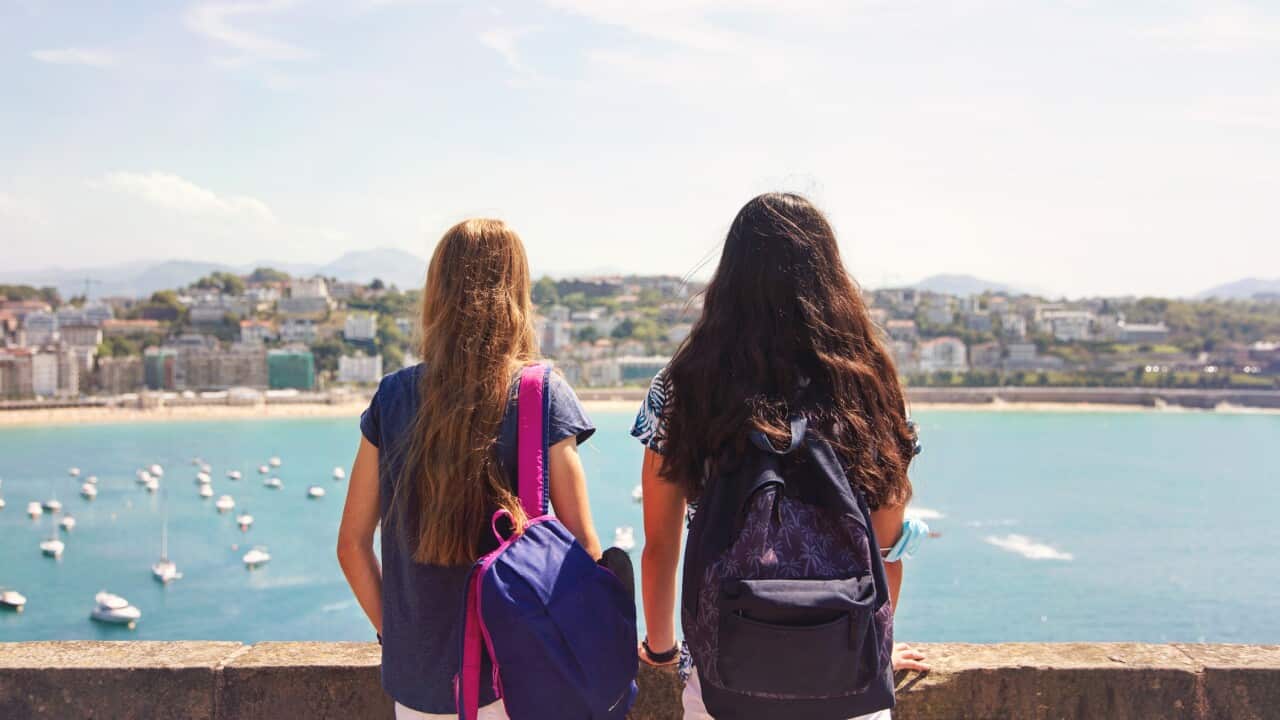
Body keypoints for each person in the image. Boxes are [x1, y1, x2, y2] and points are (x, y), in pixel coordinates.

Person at [633, 193, 930, 719]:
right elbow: (887, 549)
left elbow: (660, 545)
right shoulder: (872, 387)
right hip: (847, 682)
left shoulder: (682, 387)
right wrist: (873, 649)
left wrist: (662, 648)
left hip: (726, 681)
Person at [338, 218, 603, 720]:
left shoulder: (393, 397)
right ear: (517, 293)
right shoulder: (540, 394)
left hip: (420, 690)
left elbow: (351, 545)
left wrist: (399, 639)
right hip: (520, 678)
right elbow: (583, 551)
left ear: (437, 293)